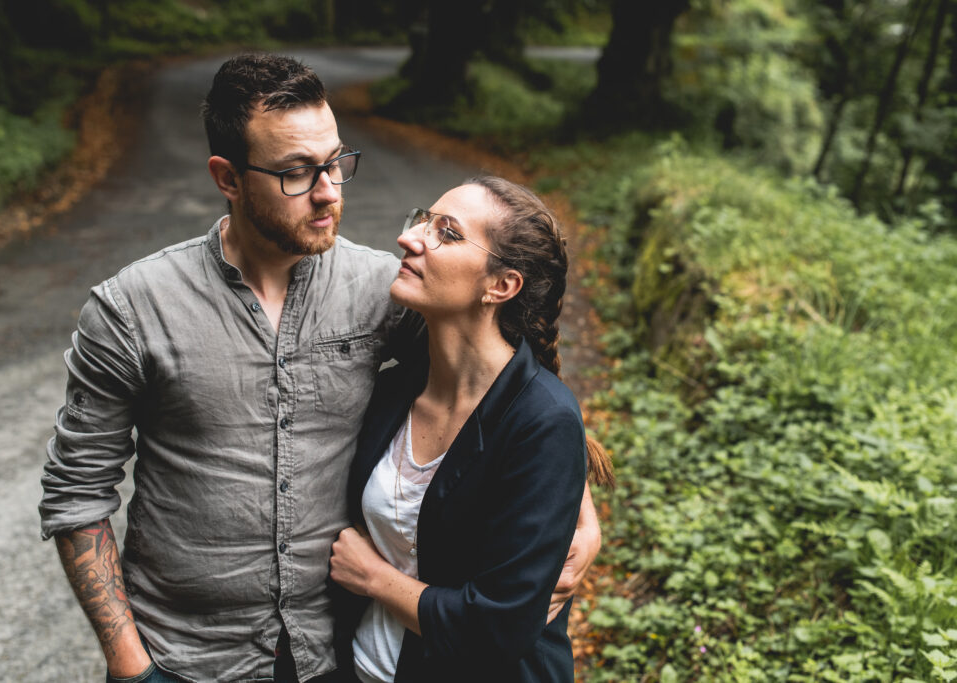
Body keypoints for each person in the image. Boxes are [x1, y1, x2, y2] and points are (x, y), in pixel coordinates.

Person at [39, 53, 601, 683]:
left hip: (328, 654)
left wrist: (578, 511)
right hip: (186, 658)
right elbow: (76, 492)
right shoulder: (133, 309)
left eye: (335, 162)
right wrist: (130, 664)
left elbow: (499, 390)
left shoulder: (384, 289)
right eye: (296, 174)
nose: (329, 190)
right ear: (228, 177)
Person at [329, 177, 614, 682]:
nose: (411, 237)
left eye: (448, 233)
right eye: (423, 219)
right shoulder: (394, 388)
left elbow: (498, 630)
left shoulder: (542, 421)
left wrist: (375, 578)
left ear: (500, 286)